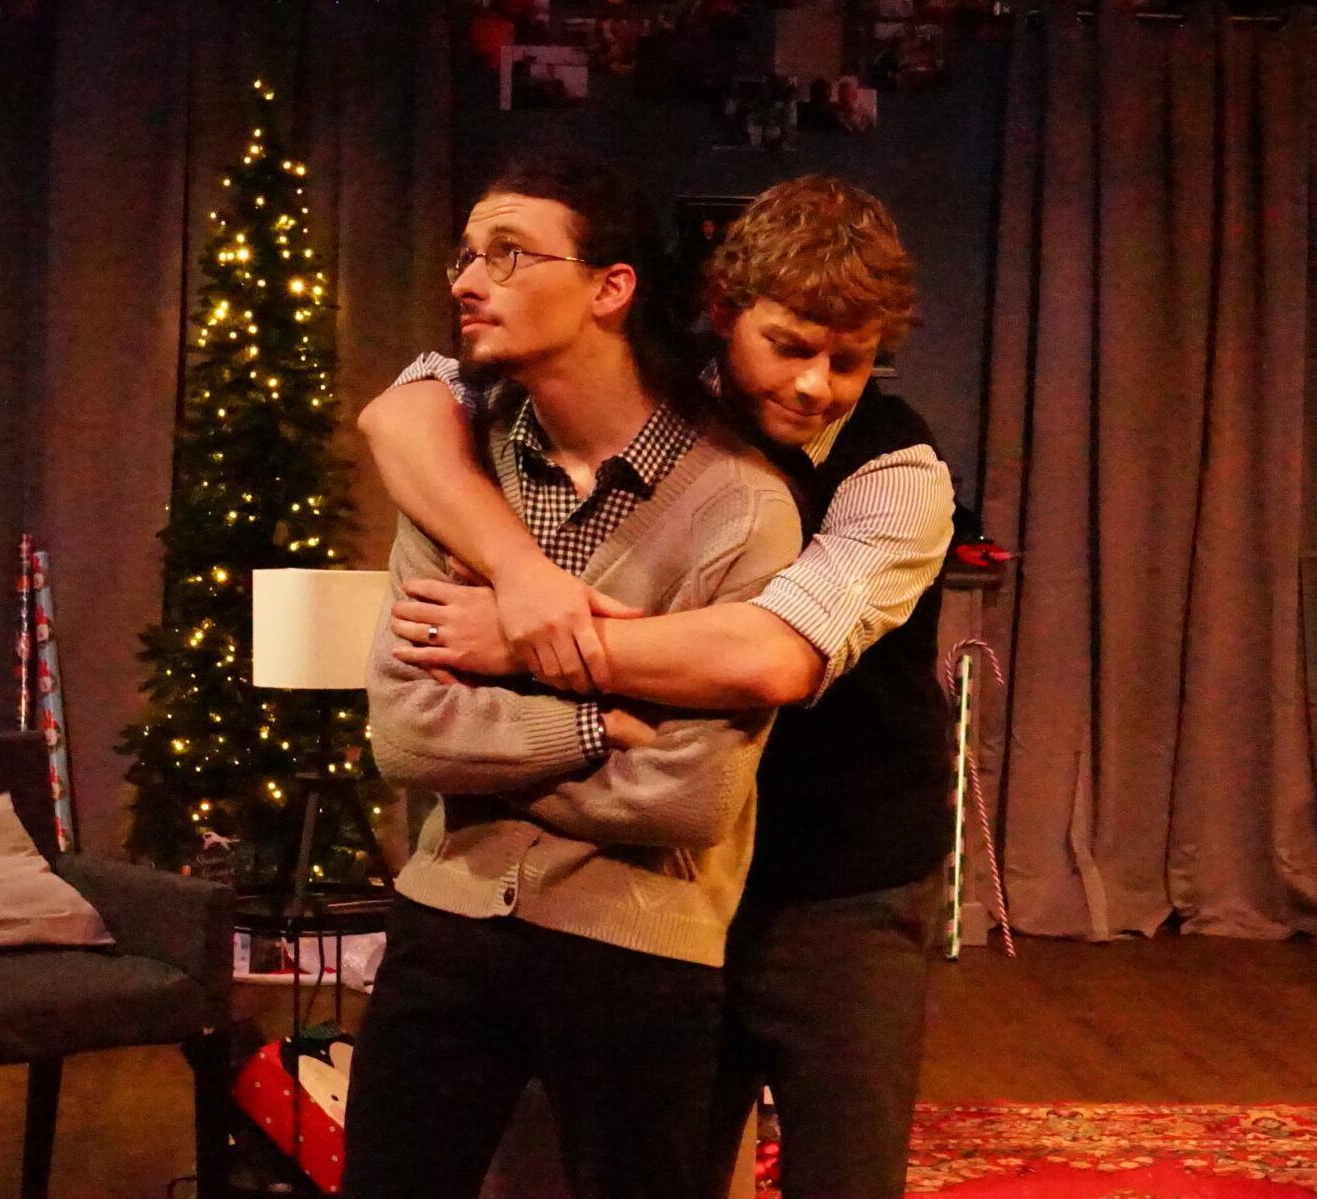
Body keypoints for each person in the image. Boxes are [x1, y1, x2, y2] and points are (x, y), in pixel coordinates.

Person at [361, 176, 956, 1199]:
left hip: (836, 882)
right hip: (659, 887)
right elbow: (400, 414)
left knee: (845, 1176)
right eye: (790, 346)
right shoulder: (655, 397)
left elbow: (773, 657)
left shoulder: (895, 471)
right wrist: (522, 573)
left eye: (850, 360)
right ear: (723, 313)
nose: (816, 386)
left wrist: (523, 640)